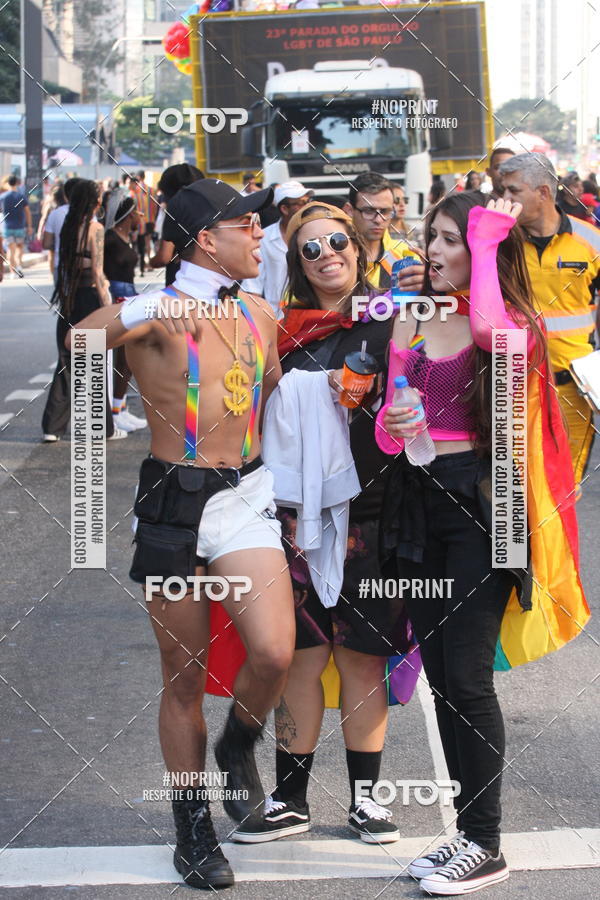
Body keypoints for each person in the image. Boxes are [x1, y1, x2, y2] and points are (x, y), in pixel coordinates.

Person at [68, 178, 295, 890]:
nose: (258, 235)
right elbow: (79, 344)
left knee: (273, 651)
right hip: (174, 505)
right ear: (207, 238)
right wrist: (137, 304)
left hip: (247, 496)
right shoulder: (156, 315)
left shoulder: (259, 310)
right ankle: (192, 827)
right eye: (246, 226)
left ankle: (239, 747)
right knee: (184, 678)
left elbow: (279, 398)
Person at [375, 192, 586, 894]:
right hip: (418, 500)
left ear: (486, 251)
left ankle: (487, 843)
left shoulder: (512, 325)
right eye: (429, 238)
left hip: (484, 505)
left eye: (450, 240)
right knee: (440, 677)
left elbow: (492, 329)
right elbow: (389, 418)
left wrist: (492, 230)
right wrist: (395, 419)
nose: (432, 252)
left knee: (466, 677)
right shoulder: (411, 312)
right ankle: (465, 834)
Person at [232, 201, 409, 847]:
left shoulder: (394, 320)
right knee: (301, 659)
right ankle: (292, 798)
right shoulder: (279, 329)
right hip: (293, 517)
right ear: (296, 264)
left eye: (337, 239)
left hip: (374, 513)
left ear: (358, 247)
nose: (328, 252)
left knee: (363, 660)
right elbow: (249, 409)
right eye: (311, 247)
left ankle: (369, 802)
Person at [500, 152, 600, 492]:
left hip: (573, 389)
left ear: (543, 192)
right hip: (515, 387)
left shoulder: (591, 240)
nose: (505, 200)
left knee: (564, 489)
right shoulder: (500, 244)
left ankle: (555, 549)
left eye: (513, 191)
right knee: (518, 490)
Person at [41, 179, 122, 442]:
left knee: (66, 361)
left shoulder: (67, 227)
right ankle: (101, 428)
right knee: (94, 363)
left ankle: (52, 428)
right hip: (89, 298)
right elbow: (97, 272)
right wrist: (106, 306)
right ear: (94, 202)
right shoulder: (95, 228)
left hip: (68, 298)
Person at [103, 192, 147, 433]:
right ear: (128, 216)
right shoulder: (109, 238)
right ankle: (113, 411)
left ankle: (120, 408)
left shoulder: (126, 237)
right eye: (137, 213)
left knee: (128, 357)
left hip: (129, 297)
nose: (141, 216)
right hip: (115, 298)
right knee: (117, 357)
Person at [242, 180, 313, 317]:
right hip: (276, 320)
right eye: (300, 203)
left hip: (311, 317)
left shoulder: (315, 234)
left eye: (307, 201)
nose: (306, 207)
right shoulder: (264, 238)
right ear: (284, 209)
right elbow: (252, 288)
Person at [344, 173, 424, 291]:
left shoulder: (406, 256)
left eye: (385, 211)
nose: (378, 219)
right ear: (349, 210)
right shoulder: (337, 256)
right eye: (369, 211)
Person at [149, 163, 204, 287]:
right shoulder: (212, 213)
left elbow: (164, 257)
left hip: (180, 284)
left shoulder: (175, 215)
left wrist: (151, 262)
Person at [42, 178, 82, 284]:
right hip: (82, 267)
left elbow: (46, 244)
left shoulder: (55, 214)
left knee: (64, 299)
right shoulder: (88, 214)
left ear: (65, 195)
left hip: (60, 265)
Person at [0, 174, 33, 277]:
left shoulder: (2, 197)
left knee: (11, 249)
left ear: (7, 183)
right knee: (19, 247)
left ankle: (12, 272)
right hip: (20, 226)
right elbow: (27, 212)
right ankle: (19, 265)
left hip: (7, 227)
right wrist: (29, 226)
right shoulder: (21, 196)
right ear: (17, 183)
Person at [129, 170, 157, 275]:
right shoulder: (151, 190)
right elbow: (155, 205)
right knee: (148, 241)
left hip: (140, 220)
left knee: (139, 243)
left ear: (139, 178)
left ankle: (142, 264)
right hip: (150, 219)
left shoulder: (137, 192)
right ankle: (148, 262)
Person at [389, 183, 424, 249]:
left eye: (405, 200)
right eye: (397, 200)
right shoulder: (379, 234)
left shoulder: (416, 233)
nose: (402, 204)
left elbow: (425, 257)